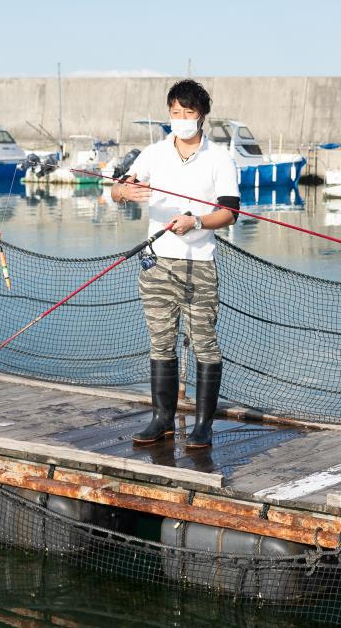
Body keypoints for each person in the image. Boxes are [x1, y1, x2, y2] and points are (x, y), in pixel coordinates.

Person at [111, 80, 240, 448]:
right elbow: (117, 190)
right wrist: (124, 192)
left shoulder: (219, 158)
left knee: (205, 344)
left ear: (202, 117)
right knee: (160, 342)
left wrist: (196, 221)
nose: (181, 119)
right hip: (157, 264)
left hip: (199, 264)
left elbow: (230, 212)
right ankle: (161, 419)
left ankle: (203, 425)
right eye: (175, 113)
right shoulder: (154, 153)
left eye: (189, 113)